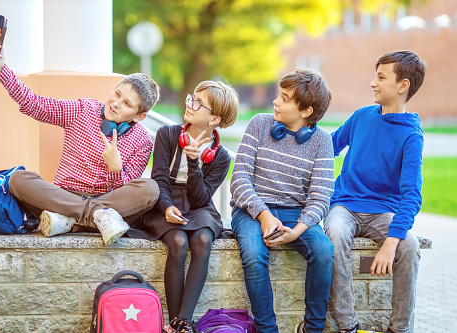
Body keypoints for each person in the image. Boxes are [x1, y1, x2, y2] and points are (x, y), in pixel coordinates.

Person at [0, 29, 160, 245]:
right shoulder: (82, 109)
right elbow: (34, 104)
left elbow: (127, 191)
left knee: (150, 189)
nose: (116, 103)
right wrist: (1, 69)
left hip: (108, 201)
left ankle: (69, 221)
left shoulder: (142, 141)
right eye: (117, 94)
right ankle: (93, 217)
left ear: (140, 116)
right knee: (18, 179)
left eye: (127, 104)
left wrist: (116, 169)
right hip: (65, 196)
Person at [324, 50, 426, 333]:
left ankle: (399, 329)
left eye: (381, 77)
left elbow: (412, 195)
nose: (373, 83)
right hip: (344, 205)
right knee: (334, 234)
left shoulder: (411, 136)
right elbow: (327, 148)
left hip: (383, 211)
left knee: (410, 245)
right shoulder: (361, 117)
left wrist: (392, 241)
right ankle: (347, 326)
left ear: (402, 85)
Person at [127, 81, 238, 333]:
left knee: (202, 239)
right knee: (178, 241)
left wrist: (194, 162)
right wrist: (165, 207)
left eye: (198, 103)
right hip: (164, 199)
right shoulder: (167, 134)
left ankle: (183, 321)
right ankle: (176, 320)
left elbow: (201, 199)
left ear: (214, 119)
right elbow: (159, 180)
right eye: (191, 98)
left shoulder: (220, 157)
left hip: (198, 205)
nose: (190, 104)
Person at [230, 68, 335, 333]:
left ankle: (313, 329)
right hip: (251, 211)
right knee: (254, 254)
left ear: (306, 111)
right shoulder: (259, 124)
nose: (276, 101)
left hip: (295, 214)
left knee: (323, 251)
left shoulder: (322, 141)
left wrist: (298, 230)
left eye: (285, 99)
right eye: (279, 95)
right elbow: (239, 180)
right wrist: (264, 214)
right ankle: (268, 330)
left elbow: (321, 196)